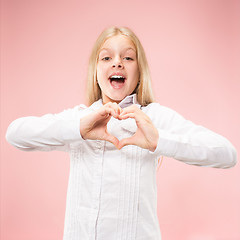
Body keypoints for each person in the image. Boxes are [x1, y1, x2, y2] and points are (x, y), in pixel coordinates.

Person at [5, 26, 237, 240]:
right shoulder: (81, 118)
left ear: (139, 71)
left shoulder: (153, 117)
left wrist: (158, 140)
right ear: (95, 71)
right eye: (106, 57)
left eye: (128, 57)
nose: (117, 63)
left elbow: (227, 154)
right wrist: (79, 129)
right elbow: (15, 134)